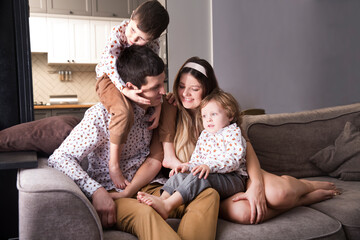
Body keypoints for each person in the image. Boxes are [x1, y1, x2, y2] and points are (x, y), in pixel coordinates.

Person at [48, 46, 220, 240]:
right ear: (130, 87)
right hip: (114, 192)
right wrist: (96, 191)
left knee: (207, 194)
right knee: (145, 213)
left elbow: (156, 156)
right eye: (156, 88)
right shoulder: (102, 115)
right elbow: (59, 158)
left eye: (163, 83)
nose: (163, 92)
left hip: (152, 186)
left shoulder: (155, 109)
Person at [158, 56, 340, 225]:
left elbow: (245, 150)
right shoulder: (171, 107)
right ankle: (304, 201)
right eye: (181, 86)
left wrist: (256, 185)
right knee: (246, 213)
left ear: (207, 89)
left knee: (279, 194)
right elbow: (168, 157)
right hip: (204, 184)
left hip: (235, 173)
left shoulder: (220, 112)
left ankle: (307, 186)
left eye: (194, 89)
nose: (185, 94)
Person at [138, 89, 249, 220]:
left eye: (214, 114)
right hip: (212, 174)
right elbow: (197, 159)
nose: (208, 120)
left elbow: (234, 160)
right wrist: (187, 166)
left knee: (200, 176)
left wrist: (209, 167)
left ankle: (168, 206)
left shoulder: (232, 132)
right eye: (204, 116)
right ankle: (162, 200)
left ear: (230, 115)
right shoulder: (205, 135)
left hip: (233, 178)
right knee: (180, 175)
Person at [95, 0, 169, 190]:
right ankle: (114, 164)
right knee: (123, 112)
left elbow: (152, 72)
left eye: (141, 38)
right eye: (133, 29)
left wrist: (158, 105)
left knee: (163, 103)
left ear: (154, 38)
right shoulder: (118, 33)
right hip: (109, 79)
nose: (133, 39)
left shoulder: (153, 44)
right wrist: (125, 90)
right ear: (132, 15)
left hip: (132, 81)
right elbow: (110, 66)